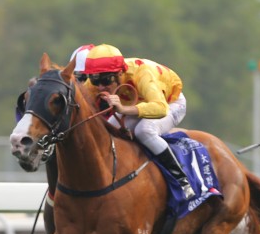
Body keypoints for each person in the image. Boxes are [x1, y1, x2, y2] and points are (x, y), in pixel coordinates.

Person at [82, 44, 195, 198]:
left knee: (144, 130)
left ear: (119, 73)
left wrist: (123, 110)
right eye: (95, 81)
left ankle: (182, 180)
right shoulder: (95, 82)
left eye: (106, 80)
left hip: (169, 103)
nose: (101, 86)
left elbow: (160, 108)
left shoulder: (142, 74)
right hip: (136, 103)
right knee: (109, 129)